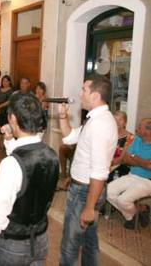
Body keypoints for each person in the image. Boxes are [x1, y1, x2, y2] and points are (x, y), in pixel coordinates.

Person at [0, 93, 59, 266]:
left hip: (12, 246)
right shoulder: (51, 155)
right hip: (40, 240)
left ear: (13, 118)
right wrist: (10, 140)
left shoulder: (10, 165)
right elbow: (28, 165)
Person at [58, 74, 118, 266]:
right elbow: (70, 137)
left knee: (70, 247)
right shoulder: (95, 119)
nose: (80, 93)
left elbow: (99, 171)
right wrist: (63, 116)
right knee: (90, 244)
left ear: (95, 95)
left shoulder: (100, 124)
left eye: (84, 89)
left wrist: (89, 207)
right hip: (87, 190)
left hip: (85, 192)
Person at [107, 118, 151, 229]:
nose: (136, 129)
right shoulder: (135, 140)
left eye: (140, 127)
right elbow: (126, 159)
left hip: (147, 181)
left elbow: (149, 166)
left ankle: (132, 218)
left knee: (123, 200)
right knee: (107, 192)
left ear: (148, 131)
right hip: (132, 175)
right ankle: (136, 214)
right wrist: (143, 163)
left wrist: (134, 157)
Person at [107, 110, 134, 183]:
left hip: (121, 167)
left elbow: (120, 159)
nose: (117, 122)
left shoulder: (130, 137)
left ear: (125, 122)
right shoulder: (108, 135)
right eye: (115, 120)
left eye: (120, 119)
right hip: (107, 165)